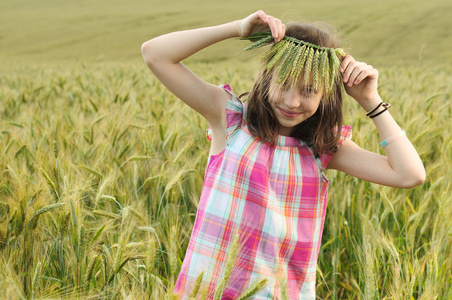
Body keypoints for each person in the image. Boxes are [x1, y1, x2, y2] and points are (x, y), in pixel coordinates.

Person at [141, 10, 425, 300]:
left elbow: (409, 174)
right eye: (284, 84)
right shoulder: (231, 120)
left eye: (309, 90)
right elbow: (154, 54)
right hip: (208, 292)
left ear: (326, 94)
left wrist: (370, 100)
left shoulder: (323, 148)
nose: (292, 101)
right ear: (267, 78)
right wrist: (237, 28)